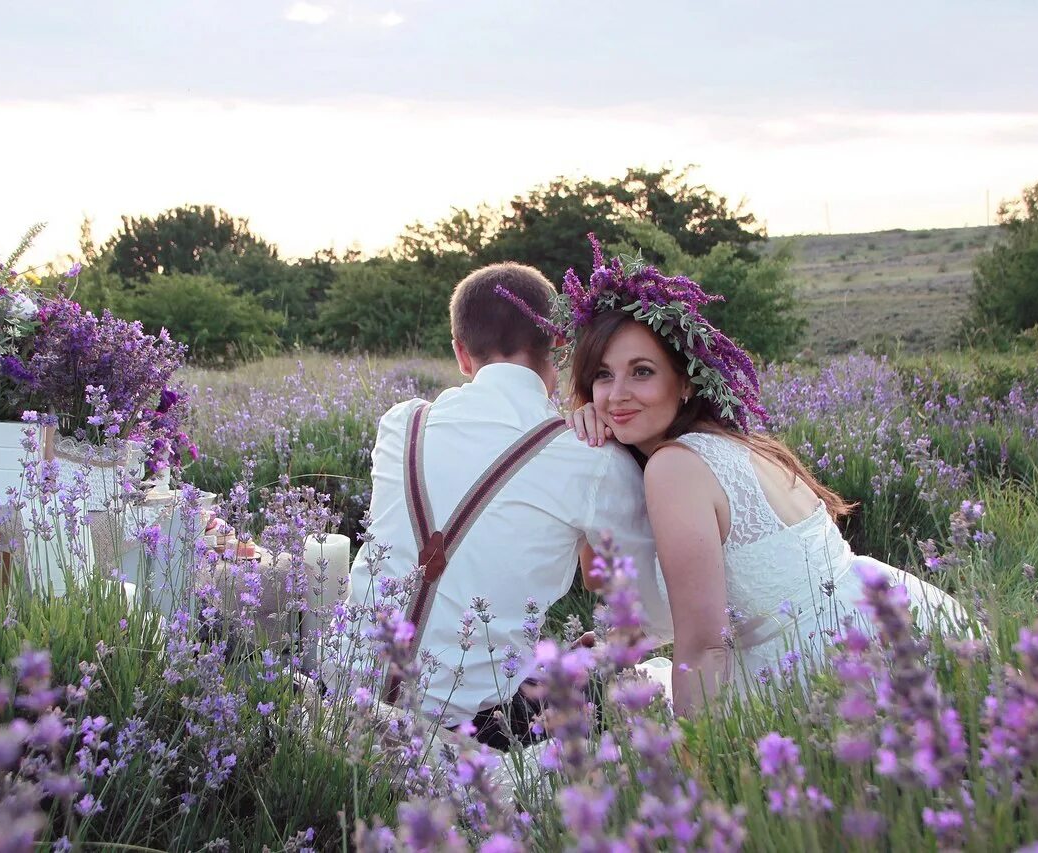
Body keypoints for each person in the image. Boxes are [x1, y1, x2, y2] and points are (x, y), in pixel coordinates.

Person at [503, 237, 970, 718]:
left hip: (837, 668)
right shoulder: (726, 442)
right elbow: (603, 580)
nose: (617, 395)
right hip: (891, 623)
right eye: (603, 375)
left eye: (641, 372)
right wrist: (593, 463)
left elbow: (706, 647)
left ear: (684, 382)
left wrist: (691, 768)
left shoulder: (676, 466)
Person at [327, 262, 673, 751]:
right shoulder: (590, 458)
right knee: (636, 686)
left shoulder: (400, 425)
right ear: (558, 344)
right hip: (483, 731)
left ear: (461, 354)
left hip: (341, 695)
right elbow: (656, 613)